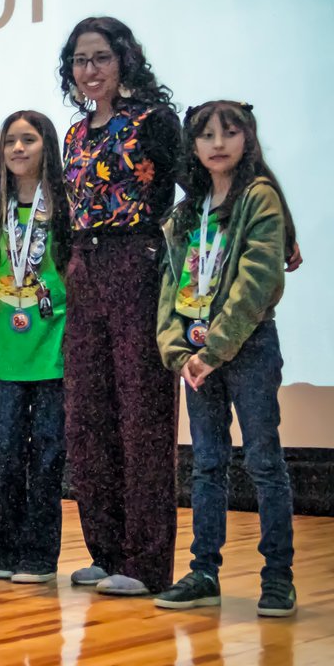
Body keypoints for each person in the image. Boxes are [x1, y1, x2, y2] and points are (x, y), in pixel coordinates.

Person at [154, 101, 298, 617]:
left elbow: (257, 282)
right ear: (192, 145)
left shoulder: (259, 198)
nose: (217, 143)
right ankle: (203, 572)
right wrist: (180, 352)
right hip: (196, 356)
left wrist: (215, 350)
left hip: (248, 347)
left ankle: (278, 577)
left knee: (263, 461)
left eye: (229, 132)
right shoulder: (187, 209)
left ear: (247, 138)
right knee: (208, 463)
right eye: (206, 134)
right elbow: (171, 286)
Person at [57, 16, 184, 596]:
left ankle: (146, 563)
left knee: (142, 417)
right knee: (87, 419)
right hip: (86, 268)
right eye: (81, 61)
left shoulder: (155, 122)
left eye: (100, 57)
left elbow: (193, 190)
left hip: (138, 263)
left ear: (124, 59)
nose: (90, 70)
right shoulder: (74, 136)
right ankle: (106, 552)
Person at [0, 112, 70, 582]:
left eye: (28, 139)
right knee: (6, 453)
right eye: (9, 140)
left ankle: (41, 554)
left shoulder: (66, 205)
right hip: (6, 349)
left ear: (47, 146)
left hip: (53, 348)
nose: (18, 148)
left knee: (49, 454)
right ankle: (7, 548)